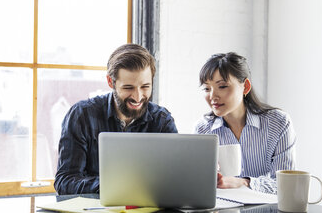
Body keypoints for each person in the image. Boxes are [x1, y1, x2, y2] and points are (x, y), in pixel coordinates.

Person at [55, 44, 178, 195]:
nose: (138, 97)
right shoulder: (82, 115)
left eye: (145, 87)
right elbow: (65, 182)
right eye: (128, 88)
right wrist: (114, 186)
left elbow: (174, 179)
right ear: (110, 82)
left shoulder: (162, 120)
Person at [195, 52, 295, 194]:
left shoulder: (278, 123)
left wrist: (244, 182)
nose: (212, 96)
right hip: (222, 211)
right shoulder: (203, 129)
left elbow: (286, 185)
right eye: (207, 88)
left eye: (222, 86)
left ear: (245, 87)